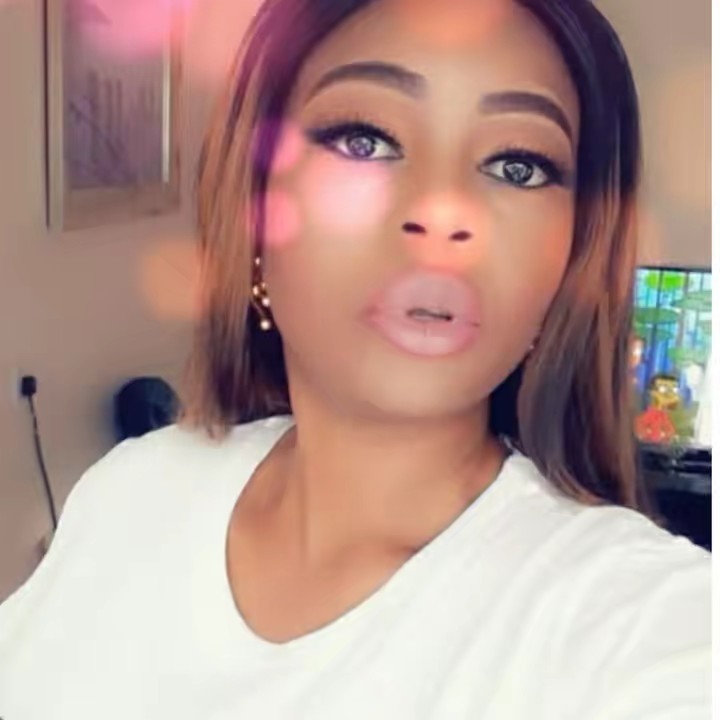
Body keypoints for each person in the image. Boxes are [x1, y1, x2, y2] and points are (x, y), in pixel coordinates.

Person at [0, 0, 710, 718]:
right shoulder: (131, 491)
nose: (443, 211)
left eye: (518, 166)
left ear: (572, 254)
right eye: (364, 140)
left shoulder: (640, 626)